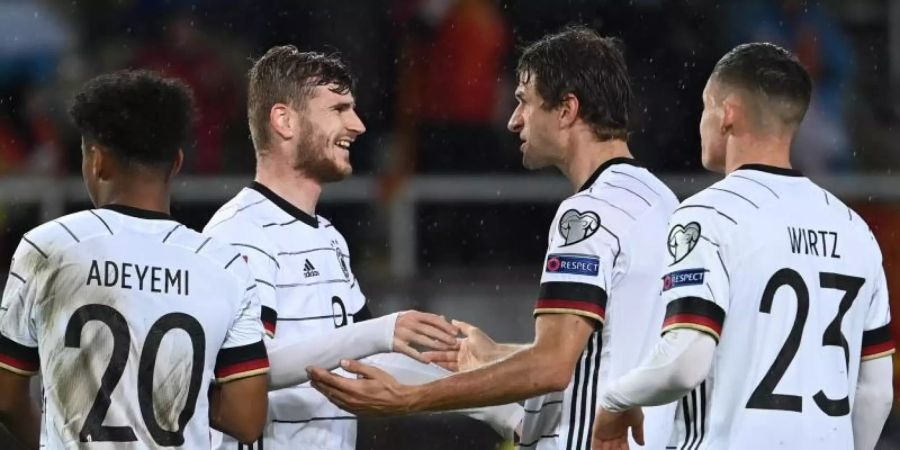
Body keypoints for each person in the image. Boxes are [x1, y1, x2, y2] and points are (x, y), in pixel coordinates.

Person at [308, 26, 679, 450]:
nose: (513, 119)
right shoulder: (661, 200)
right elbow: (610, 352)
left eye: (524, 101)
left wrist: (410, 398)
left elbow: (552, 366)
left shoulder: (587, 216)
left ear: (566, 110)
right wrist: (496, 353)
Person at [203, 45, 523, 450]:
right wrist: (377, 331)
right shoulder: (240, 234)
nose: (357, 125)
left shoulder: (328, 237)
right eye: (338, 109)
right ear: (284, 120)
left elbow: (369, 360)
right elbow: (247, 372)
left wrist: (501, 411)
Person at [591, 43, 895, 450]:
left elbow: (686, 362)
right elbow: (877, 392)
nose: (701, 121)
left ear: (727, 112)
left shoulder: (707, 216)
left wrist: (614, 399)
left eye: (705, 107)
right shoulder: (856, 229)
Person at [0, 70, 269, 449]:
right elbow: (246, 419)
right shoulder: (225, 266)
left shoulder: (47, 247)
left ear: (96, 161)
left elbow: (7, 397)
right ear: (176, 162)